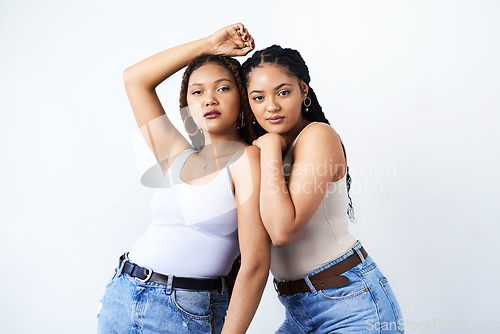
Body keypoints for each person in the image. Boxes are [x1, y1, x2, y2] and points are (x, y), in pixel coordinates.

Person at [97, 23, 270, 334]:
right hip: (123, 295)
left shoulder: (248, 160)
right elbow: (135, 79)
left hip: (184, 311)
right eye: (197, 91)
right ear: (187, 105)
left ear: (242, 97)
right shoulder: (177, 155)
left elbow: (255, 266)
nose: (209, 99)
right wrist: (206, 44)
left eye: (223, 88)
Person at [242, 45, 404, 333]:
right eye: (258, 97)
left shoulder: (317, 136)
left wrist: (268, 148)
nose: (271, 106)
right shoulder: (266, 150)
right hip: (298, 310)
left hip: (350, 306)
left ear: (303, 90)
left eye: (283, 92)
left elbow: (282, 231)